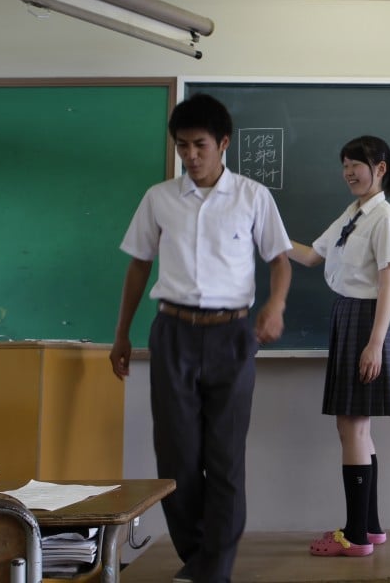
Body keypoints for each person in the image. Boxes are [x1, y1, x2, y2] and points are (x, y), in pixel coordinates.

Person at [108, 93, 292, 583]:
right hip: (172, 334)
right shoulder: (159, 198)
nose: (190, 155)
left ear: (223, 143)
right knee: (177, 458)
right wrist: (122, 333)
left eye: (200, 145)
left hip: (233, 335)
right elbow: (139, 265)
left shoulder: (253, 196)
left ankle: (214, 570)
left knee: (225, 458)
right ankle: (198, 559)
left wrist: (275, 306)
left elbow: (279, 259)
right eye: (182, 146)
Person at [288, 135, 390, 558]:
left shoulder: (385, 218)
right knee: (357, 429)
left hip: (368, 320)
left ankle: (354, 537)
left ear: (381, 169)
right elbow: (309, 257)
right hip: (349, 316)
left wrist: (374, 344)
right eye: (344, 164)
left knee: (352, 427)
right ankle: (370, 527)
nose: (349, 172)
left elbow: (388, 282)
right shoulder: (354, 213)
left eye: (357, 163)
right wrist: (264, 232)